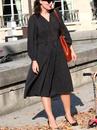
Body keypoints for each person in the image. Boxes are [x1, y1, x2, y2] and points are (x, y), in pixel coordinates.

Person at [24, 0, 78, 129]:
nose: (51, 3)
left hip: (59, 54)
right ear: (40, 1)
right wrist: (34, 60)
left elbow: (64, 32)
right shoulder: (34, 19)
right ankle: (51, 118)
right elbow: (31, 41)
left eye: (53, 1)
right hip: (42, 57)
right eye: (48, 1)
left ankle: (68, 114)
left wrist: (71, 48)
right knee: (45, 87)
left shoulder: (56, 14)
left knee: (65, 85)